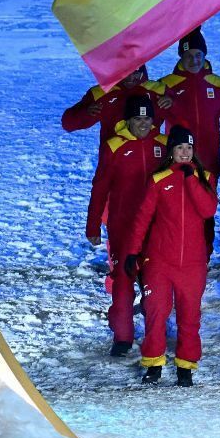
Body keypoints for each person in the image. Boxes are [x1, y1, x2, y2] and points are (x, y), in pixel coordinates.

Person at [124, 126, 215, 386]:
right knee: (156, 311)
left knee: (189, 316)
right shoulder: (158, 180)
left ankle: (186, 366)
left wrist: (191, 179)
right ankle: (153, 364)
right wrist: (133, 251)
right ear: (171, 152)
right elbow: (142, 218)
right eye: (180, 148)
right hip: (160, 260)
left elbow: (207, 210)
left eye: (189, 148)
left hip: (193, 263)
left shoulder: (204, 177)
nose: (185, 153)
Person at [84, 95, 166, 356]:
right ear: (128, 120)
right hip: (123, 225)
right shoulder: (114, 146)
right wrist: (93, 224)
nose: (143, 124)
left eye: (147, 118)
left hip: (156, 225)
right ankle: (123, 336)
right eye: (137, 119)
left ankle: (156, 335)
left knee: (154, 280)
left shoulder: (163, 144)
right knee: (122, 279)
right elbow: (100, 186)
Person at [155, 26, 220, 181]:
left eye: (198, 55)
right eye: (188, 56)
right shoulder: (166, 85)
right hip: (177, 162)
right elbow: (151, 124)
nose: (194, 60)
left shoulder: (219, 85)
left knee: (207, 203)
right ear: (181, 56)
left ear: (204, 55)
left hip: (209, 161)